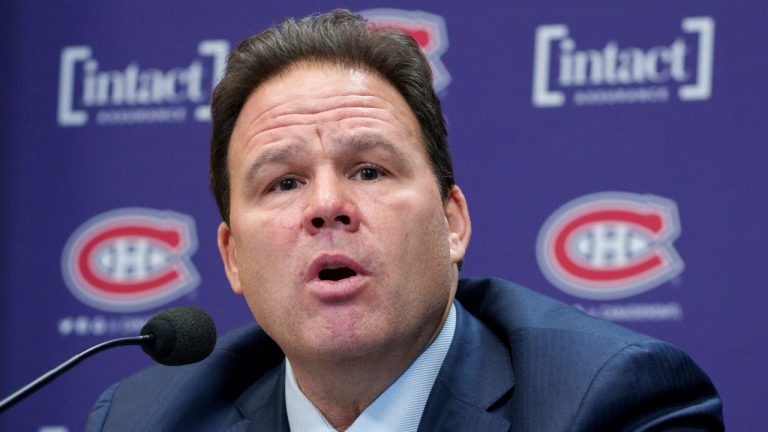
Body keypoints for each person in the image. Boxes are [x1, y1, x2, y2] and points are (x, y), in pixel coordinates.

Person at [86, 9, 723, 431]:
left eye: (368, 170)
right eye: (284, 182)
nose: (326, 206)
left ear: (453, 223)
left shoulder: (609, 403)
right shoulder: (148, 419)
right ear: (231, 257)